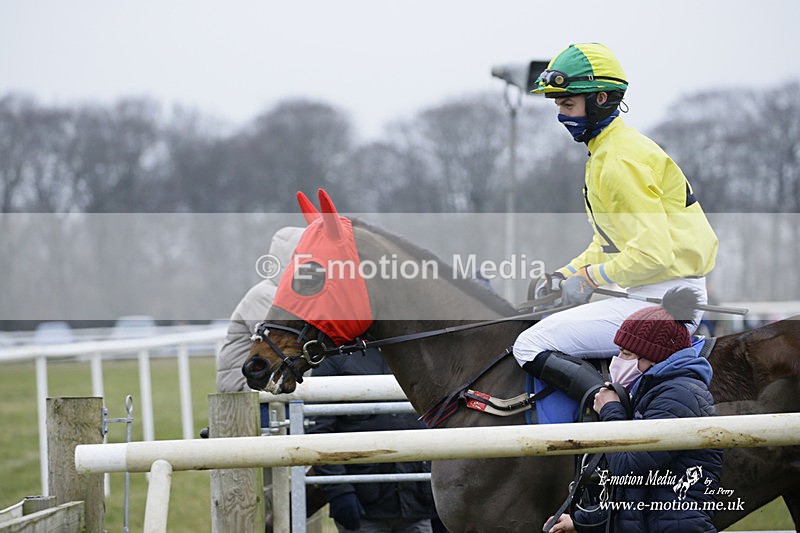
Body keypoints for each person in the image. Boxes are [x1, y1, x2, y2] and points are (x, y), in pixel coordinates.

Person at [513, 43, 719, 421]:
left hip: (661, 303)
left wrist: (590, 278)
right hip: (653, 294)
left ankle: (607, 412)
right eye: (558, 105)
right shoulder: (609, 151)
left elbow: (652, 254)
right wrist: (567, 274)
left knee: (530, 343)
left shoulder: (618, 160)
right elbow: (608, 244)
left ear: (601, 99)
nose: (560, 115)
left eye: (568, 104)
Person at [544, 287, 723, 532]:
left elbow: (627, 469)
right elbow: (635, 496)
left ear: (654, 358)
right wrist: (581, 523)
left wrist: (611, 410)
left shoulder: (678, 396)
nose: (617, 360)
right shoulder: (654, 392)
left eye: (626, 353)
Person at [307, 347, 437, 533]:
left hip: (417, 503)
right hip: (362, 505)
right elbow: (319, 431)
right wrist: (339, 491)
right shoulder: (334, 358)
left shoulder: (419, 351)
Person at [216, 225, 304, 394]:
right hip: (245, 396)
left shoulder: (281, 294)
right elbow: (287, 347)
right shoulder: (265, 295)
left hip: (264, 390)